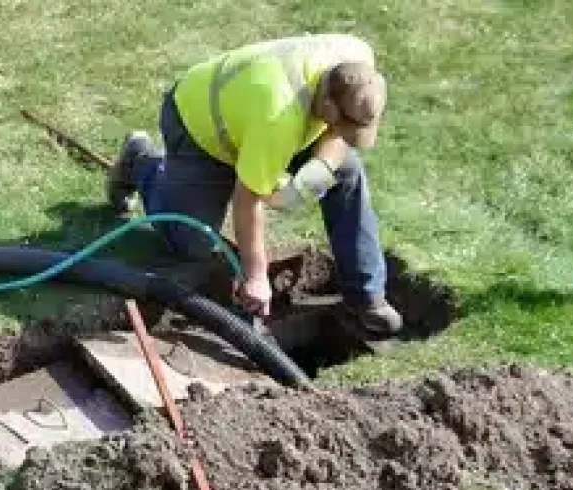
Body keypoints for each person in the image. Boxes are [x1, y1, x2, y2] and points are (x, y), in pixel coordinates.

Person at [105, 33, 403, 336]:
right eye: (342, 124)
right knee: (191, 243)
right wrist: (257, 277)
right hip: (200, 126)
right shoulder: (277, 117)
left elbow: (337, 138)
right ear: (327, 104)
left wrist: (318, 172)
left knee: (347, 173)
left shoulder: (356, 58)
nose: (344, 132)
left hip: (255, 118)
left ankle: (366, 295)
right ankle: (140, 159)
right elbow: (248, 199)